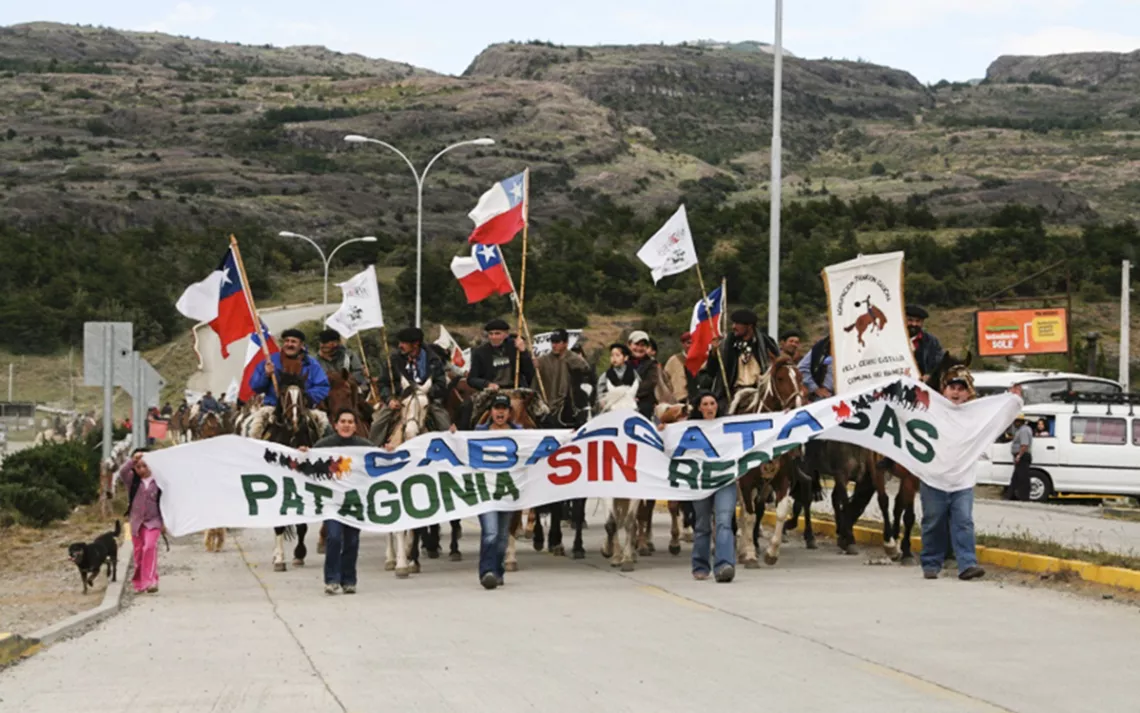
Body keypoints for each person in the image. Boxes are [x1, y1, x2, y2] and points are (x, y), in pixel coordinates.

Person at [920, 370, 985, 581]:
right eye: (952, 388)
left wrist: (1013, 399)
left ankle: (967, 564)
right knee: (933, 520)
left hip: (962, 481)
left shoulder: (975, 415)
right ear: (944, 391)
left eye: (961, 389)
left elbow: (997, 417)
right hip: (934, 479)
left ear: (968, 394)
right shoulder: (931, 411)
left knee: (964, 521)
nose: (956, 393)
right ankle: (931, 563)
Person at [300, 408, 372, 595]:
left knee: (352, 540)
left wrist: (388, 451)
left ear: (355, 426)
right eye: (343, 421)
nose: (346, 425)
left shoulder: (364, 446)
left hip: (354, 503)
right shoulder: (324, 445)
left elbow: (379, 460)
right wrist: (304, 454)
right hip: (332, 503)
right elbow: (309, 465)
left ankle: (348, 580)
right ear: (336, 425)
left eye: (350, 422)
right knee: (333, 537)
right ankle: (331, 579)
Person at [370, 327, 451, 444]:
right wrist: (389, 400)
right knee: (377, 425)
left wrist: (428, 394)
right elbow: (383, 383)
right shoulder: (394, 360)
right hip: (399, 399)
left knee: (444, 424)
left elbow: (441, 383)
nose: (400, 345)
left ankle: (449, 449)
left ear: (416, 344)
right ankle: (372, 451)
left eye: (403, 343)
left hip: (427, 400)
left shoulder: (433, 360)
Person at [475, 393, 523, 590]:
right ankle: (486, 571)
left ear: (509, 412)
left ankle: (497, 571)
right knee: (491, 533)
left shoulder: (520, 433)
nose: (500, 412)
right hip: (485, 492)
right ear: (491, 412)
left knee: (503, 536)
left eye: (504, 408)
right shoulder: (478, 432)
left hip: (508, 492)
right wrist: (452, 436)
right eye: (497, 408)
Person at [688, 391, 736, 583]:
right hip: (701, 481)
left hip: (725, 479)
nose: (709, 408)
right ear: (699, 408)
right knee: (702, 524)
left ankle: (724, 565)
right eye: (705, 404)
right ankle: (700, 565)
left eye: (712, 403)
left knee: (724, 521)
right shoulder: (689, 429)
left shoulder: (728, 427)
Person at [703, 309, 779, 409]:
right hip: (733, 393)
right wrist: (713, 354)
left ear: (749, 326)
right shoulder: (726, 345)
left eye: (738, 324)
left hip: (760, 392)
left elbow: (778, 366)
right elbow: (711, 372)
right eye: (733, 323)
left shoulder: (766, 343)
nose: (733, 327)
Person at [118, 449, 164, 594]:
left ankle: (150, 581)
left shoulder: (159, 481)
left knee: (149, 547)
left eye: (145, 466)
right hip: (136, 523)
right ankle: (139, 582)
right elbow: (122, 472)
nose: (142, 469)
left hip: (154, 521)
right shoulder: (132, 481)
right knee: (138, 554)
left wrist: (165, 521)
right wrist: (133, 460)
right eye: (138, 467)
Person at [248, 328, 331, 407]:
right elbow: (255, 387)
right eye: (287, 341)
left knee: (323, 421)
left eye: (293, 341)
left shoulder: (311, 364)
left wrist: (303, 397)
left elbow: (323, 387)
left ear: (301, 345)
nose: (289, 344)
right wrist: (266, 375)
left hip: (303, 408)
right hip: (273, 406)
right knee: (256, 421)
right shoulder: (270, 361)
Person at [536, 328, 592, 427]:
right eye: (552, 342)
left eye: (557, 342)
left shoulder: (576, 360)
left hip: (568, 409)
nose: (554, 345)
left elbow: (586, 378)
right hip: (546, 408)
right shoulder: (543, 361)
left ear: (566, 343)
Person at [626, 331, 660, 419]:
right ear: (629, 345)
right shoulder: (621, 363)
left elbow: (650, 383)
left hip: (644, 404)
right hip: (622, 401)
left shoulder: (652, 365)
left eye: (643, 345)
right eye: (636, 344)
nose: (639, 348)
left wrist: (633, 393)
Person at [906, 305, 945, 377]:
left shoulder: (932, 341)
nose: (914, 324)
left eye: (918, 321)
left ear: (922, 322)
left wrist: (930, 375)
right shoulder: (895, 339)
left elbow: (940, 362)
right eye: (910, 320)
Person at [1007, 415, 1034, 501]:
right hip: (1020, 455)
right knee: (1016, 477)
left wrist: (1019, 456)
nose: (1015, 423)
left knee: (1023, 478)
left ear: (1020, 421)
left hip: (1022, 455)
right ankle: (1010, 495)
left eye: (1016, 421)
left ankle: (1024, 497)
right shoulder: (1020, 430)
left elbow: (1024, 445)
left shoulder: (1024, 431)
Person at [798, 337, 834, 401]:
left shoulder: (855, 344)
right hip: (824, 399)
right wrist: (815, 389)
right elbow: (801, 368)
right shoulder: (822, 346)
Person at [662, 332, 693, 407]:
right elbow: (665, 379)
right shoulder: (674, 360)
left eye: (693, 343)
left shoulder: (702, 360)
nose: (691, 345)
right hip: (678, 400)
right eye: (688, 343)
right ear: (683, 344)